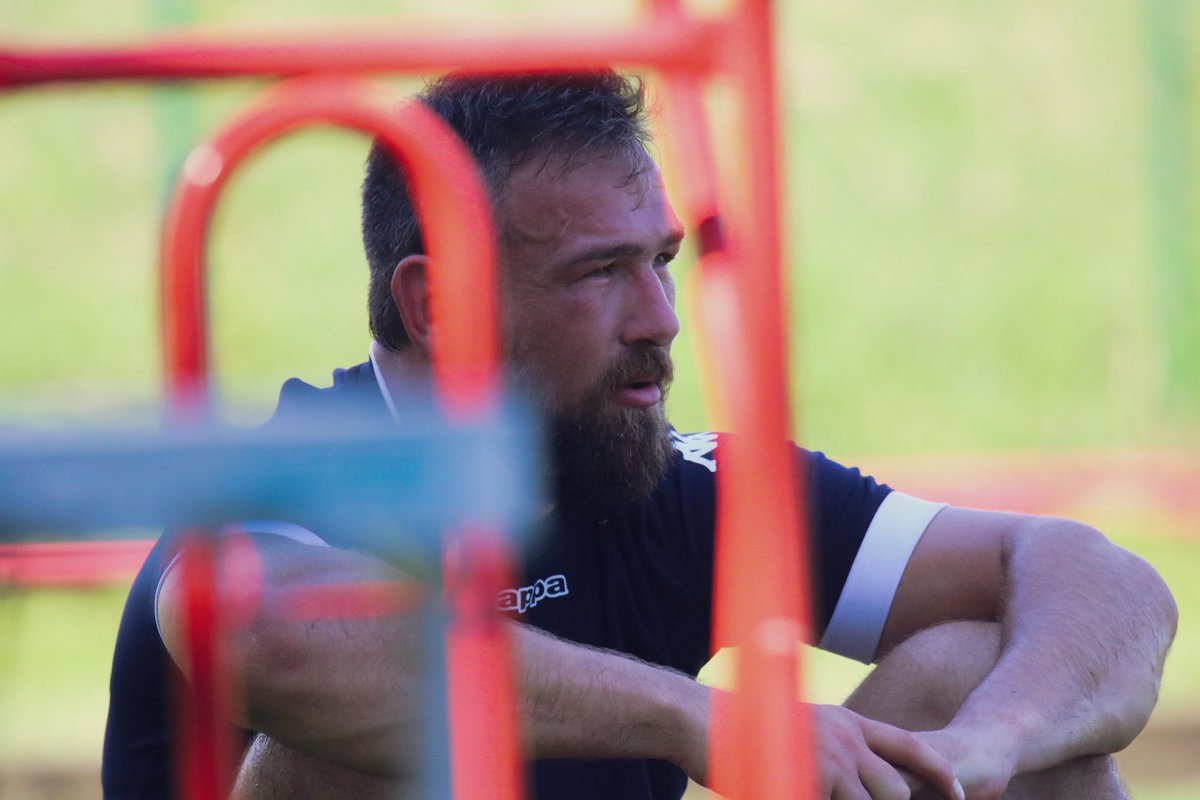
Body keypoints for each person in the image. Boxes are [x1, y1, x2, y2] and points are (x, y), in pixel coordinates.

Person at [103, 71, 1177, 800]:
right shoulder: (287, 471)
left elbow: (1093, 576)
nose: (660, 317)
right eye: (600, 271)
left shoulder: (669, 477)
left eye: (659, 259)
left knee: (982, 675)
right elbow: (268, 635)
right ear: (438, 303)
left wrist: (985, 747)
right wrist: (697, 719)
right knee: (356, 734)